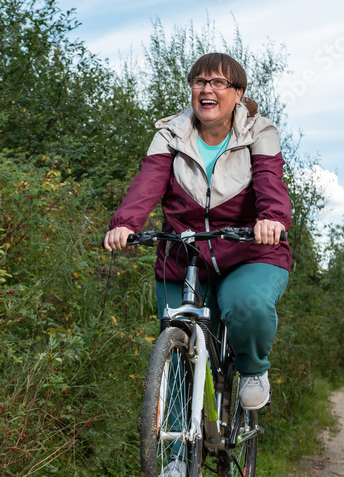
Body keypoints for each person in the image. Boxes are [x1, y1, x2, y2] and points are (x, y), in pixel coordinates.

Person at [103, 52, 291, 412]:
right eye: (200, 82)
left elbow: (270, 182)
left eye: (219, 82)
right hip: (184, 256)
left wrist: (271, 219)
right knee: (176, 351)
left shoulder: (258, 132)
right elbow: (148, 182)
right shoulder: (171, 134)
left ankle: (252, 370)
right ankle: (175, 457)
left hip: (249, 251)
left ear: (238, 93)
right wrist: (126, 223)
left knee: (245, 306)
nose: (208, 90)